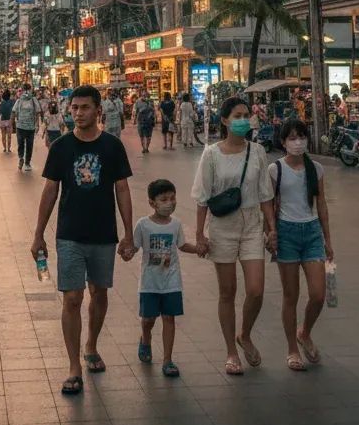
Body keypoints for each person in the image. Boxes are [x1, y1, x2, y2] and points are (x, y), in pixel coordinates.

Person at [32, 85, 134, 396]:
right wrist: (38, 233)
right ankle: (74, 367)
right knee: (73, 298)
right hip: (69, 235)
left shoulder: (112, 147)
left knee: (99, 293)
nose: (78, 113)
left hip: (103, 233)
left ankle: (91, 344)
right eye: (74, 108)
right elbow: (50, 191)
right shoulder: (61, 147)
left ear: (98, 110)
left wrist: (128, 233)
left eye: (84, 108)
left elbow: (122, 190)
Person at [192, 96, 276, 377]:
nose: (244, 120)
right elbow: (202, 197)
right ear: (225, 120)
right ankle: (231, 351)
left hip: (252, 223)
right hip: (222, 227)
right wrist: (200, 235)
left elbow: (265, 193)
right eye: (238, 115)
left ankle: (245, 334)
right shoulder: (211, 154)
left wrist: (271, 228)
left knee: (256, 290)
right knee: (227, 291)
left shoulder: (258, 152)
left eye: (247, 115)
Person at [269, 119, 333, 371]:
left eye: (302, 137)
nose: (298, 142)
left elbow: (322, 203)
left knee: (318, 294)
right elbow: (269, 205)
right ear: (283, 142)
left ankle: (304, 331)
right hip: (287, 233)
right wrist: (271, 232)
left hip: (312, 233)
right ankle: (292, 349)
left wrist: (328, 239)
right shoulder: (275, 170)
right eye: (293, 138)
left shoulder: (315, 169)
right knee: (291, 295)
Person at [134, 178, 203, 378]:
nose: (170, 203)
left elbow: (182, 246)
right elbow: (134, 247)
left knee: (169, 318)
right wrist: (126, 251)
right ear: (152, 203)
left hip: (171, 282)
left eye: (173, 198)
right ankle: (145, 338)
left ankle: (167, 360)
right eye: (164, 199)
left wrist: (198, 249)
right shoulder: (143, 225)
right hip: (149, 283)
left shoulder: (176, 225)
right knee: (148, 319)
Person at [12, 84, 43, 172]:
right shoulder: (33, 100)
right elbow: (37, 113)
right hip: (29, 127)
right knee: (29, 145)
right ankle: (27, 163)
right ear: (30, 89)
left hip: (20, 126)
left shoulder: (19, 100)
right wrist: (37, 124)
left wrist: (12, 123)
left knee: (21, 144)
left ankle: (21, 158)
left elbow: (14, 112)